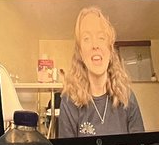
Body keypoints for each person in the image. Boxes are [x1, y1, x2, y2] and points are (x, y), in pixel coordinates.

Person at [58, 7, 145, 137]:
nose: (95, 45)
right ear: (81, 53)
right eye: (86, 38)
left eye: (101, 37)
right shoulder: (69, 101)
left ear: (110, 49)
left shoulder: (127, 97)